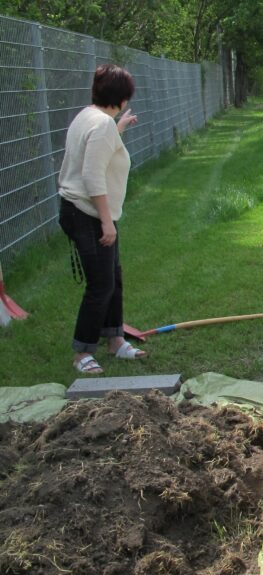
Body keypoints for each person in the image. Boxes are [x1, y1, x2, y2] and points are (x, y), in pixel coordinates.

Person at [58, 64, 143, 374]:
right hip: (87, 213)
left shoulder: (90, 117)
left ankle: (116, 340)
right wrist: (106, 223)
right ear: (120, 97)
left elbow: (97, 153)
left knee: (113, 278)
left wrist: (118, 128)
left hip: (83, 210)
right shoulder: (101, 125)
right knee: (101, 284)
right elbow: (92, 175)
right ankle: (82, 353)